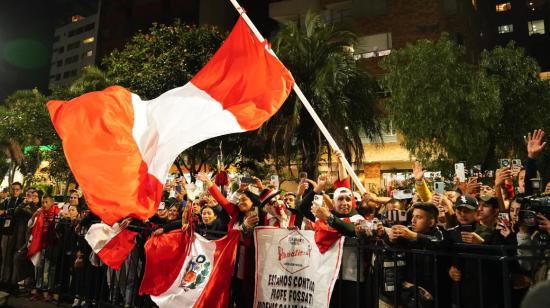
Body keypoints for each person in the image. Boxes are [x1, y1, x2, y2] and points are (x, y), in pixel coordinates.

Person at [383, 202, 449, 307]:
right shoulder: (408, 231)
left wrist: (414, 236)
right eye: (413, 216)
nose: (413, 220)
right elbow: (389, 244)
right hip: (410, 290)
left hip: (435, 293)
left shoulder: (440, 233)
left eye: (418, 217)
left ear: (431, 222)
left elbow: (439, 243)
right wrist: (391, 238)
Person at [0, 182, 24, 286]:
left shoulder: (23, 201)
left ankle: (11, 281)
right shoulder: (7, 200)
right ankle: (3, 279)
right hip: (6, 231)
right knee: (4, 256)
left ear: (21, 190)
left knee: (13, 257)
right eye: (13, 189)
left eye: (17, 189)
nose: (15, 191)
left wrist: (5, 212)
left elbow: (16, 212)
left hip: (18, 232)